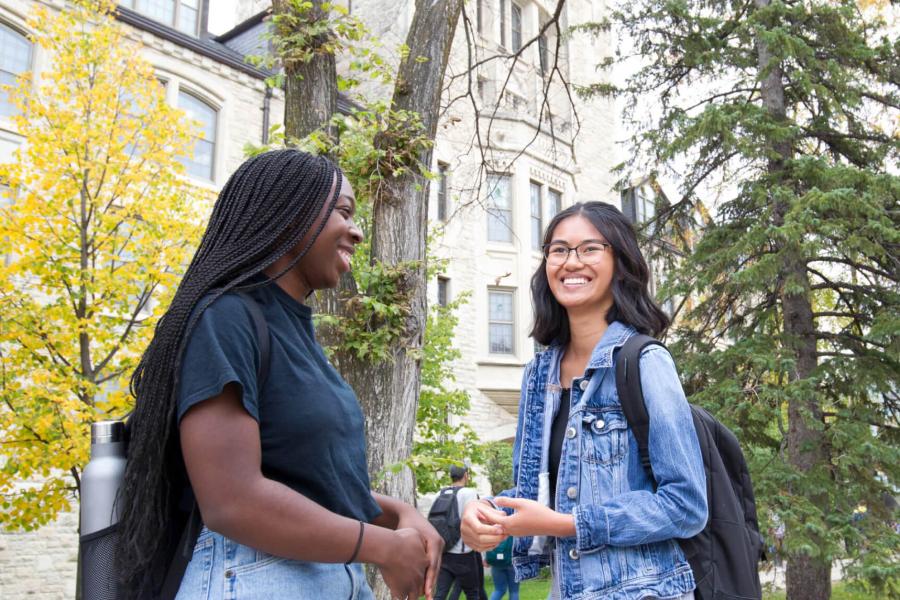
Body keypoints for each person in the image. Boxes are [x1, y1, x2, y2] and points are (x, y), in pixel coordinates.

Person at [114, 149, 443, 599]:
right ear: (292, 216)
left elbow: (310, 486)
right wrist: (384, 546)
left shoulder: (294, 330)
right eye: (343, 212)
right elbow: (232, 501)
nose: (358, 231)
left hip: (323, 577)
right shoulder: (227, 316)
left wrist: (400, 515)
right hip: (257, 577)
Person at [460, 202, 708, 599]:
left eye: (590, 248)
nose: (570, 262)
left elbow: (685, 505)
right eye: (559, 250)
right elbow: (540, 493)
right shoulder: (538, 374)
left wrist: (568, 524)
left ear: (620, 262)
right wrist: (488, 512)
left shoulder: (645, 363)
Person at [435, 465, 484, 600]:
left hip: (444, 552)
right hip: (464, 554)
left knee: (440, 595)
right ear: (466, 476)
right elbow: (476, 518)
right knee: (473, 593)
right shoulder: (469, 493)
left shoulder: (440, 493)